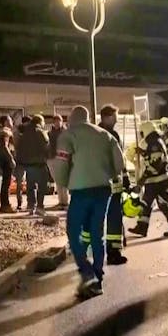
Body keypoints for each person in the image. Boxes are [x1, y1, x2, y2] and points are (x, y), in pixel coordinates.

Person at [56, 105, 126, 299]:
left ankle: (87, 273)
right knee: (97, 233)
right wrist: (108, 175)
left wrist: (63, 183)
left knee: (73, 231)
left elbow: (61, 166)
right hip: (104, 190)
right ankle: (98, 278)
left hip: (81, 191)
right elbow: (119, 163)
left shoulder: (68, 136)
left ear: (71, 119)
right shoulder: (106, 135)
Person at [128, 120, 168, 238]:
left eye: (142, 133)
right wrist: (142, 152)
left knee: (163, 204)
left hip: (157, 180)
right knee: (147, 204)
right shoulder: (155, 142)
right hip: (156, 180)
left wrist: (141, 181)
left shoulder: (154, 144)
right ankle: (142, 227)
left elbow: (154, 164)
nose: (141, 135)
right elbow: (152, 157)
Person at [99, 104, 130, 265]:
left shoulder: (95, 134)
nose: (117, 120)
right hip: (113, 183)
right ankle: (113, 252)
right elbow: (120, 161)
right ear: (107, 117)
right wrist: (126, 181)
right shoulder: (112, 135)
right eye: (115, 117)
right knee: (114, 217)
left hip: (98, 183)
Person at [17, 114, 51, 215]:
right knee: (42, 186)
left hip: (28, 164)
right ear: (40, 122)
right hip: (40, 163)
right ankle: (40, 207)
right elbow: (46, 147)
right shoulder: (41, 132)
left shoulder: (25, 133)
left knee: (30, 186)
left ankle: (31, 206)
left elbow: (20, 148)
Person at [47, 114, 69, 209]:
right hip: (53, 157)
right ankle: (61, 201)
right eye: (55, 121)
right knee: (58, 181)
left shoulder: (65, 132)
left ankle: (65, 201)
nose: (57, 123)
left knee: (63, 180)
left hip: (62, 157)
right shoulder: (50, 133)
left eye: (58, 121)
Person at [13, 115, 32, 211]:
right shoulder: (19, 133)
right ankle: (20, 203)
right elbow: (16, 145)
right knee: (21, 184)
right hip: (22, 161)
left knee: (28, 183)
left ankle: (29, 203)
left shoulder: (29, 132)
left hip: (25, 160)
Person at [0, 126, 16, 213]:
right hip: (6, 163)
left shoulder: (0, 139)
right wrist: (11, 159)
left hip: (2, 162)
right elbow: (5, 148)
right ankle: (5, 205)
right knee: (6, 185)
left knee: (5, 184)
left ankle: (5, 204)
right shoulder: (5, 137)